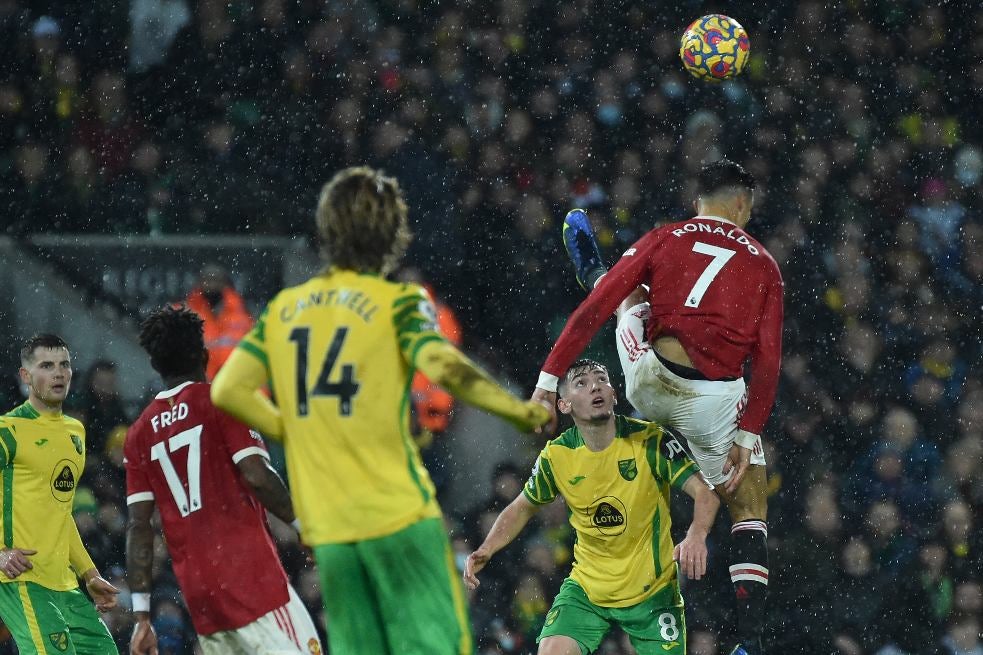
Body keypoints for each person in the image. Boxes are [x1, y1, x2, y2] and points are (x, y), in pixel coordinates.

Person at [211, 165, 551, 655]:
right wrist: (520, 412)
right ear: (392, 235)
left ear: (327, 231)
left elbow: (227, 390)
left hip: (331, 524)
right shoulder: (399, 302)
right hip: (397, 516)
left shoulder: (285, 309)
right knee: (437, 646)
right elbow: (446, 367)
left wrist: (292, 429)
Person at [533, 160, 783, 655]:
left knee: (627, 300)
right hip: (709, 401)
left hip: (646, 378)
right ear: (742, 205)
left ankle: (592, 270)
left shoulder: (666, 236)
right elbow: (769, 362)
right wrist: (746, 435)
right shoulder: (764, 266)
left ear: (699, 203)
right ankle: (749, 641)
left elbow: (593, 310)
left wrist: (546, 381)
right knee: (749, 504)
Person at [465, 359, 720, 655]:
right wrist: (486, 548)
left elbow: (705, 492)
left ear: (613, 394)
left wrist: (696, 535)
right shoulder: (557, 455)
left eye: (601, 379)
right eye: (581, 383)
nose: (595, 386)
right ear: (564, 405)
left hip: (653, 594)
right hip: (588, 590)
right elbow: (522, 506)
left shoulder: (650, 440)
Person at [124, 305, 322, 655]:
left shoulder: (139, 433)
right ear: (203, 354)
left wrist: (141, 616)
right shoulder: (221, 402)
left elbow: (139, 526)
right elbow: (257, 476)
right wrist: (304, 526)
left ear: (155, 365)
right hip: (251, 579)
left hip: (201, 595)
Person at [0, 334, 119, 654]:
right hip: (21, 581)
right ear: (26, 376)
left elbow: (60, 512)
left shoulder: (74, 432)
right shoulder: (7, 431)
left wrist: (89, 573)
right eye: (47, 365)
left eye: (64, 365)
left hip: (65, 584)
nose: (58, 373)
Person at [185, 263, 254, 381]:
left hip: (233, 383)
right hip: (199, 385)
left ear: (225, 284)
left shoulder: (242, 313)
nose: (212, 285)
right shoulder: (187, 314)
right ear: (200, 283)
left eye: (216, 280)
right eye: (208, 280)